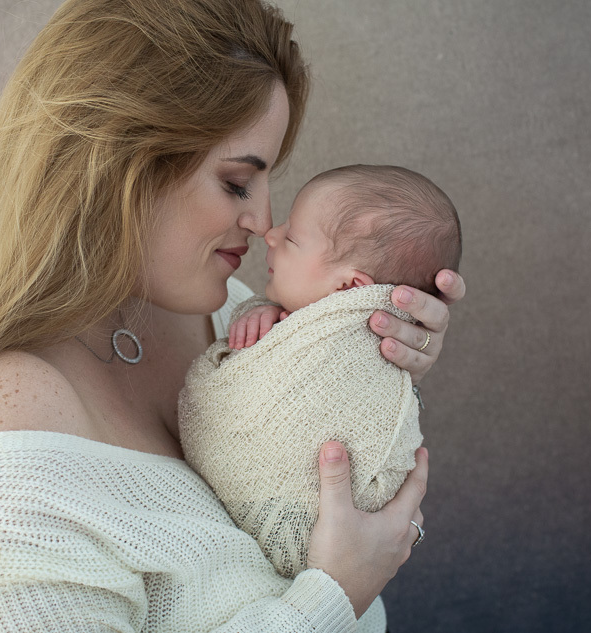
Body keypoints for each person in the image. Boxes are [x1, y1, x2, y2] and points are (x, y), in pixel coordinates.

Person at [0, 0, 465, 633]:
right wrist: (336, 594)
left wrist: (369, 357)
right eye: (236, 181)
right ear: (118, 167)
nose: (263, 221)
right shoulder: (9, 419)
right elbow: (330, 575)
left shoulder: (229, 316)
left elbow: (322, 499)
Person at [179, 164, 462, 578]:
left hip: (302, 517)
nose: (269, 232)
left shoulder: (363, 348)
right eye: (235, 185)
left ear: (348, 290)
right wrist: (261, 310)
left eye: (291, 237)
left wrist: (407, 383)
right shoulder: (266, 311)